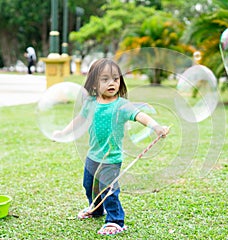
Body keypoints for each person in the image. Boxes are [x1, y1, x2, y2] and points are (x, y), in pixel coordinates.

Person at [54, 58, 169, 235]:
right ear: (93, 83)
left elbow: (140, 115)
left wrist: (157, 127)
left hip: (111, 158)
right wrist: (64, 132)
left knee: (108, 189)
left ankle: (116, 220)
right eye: (105, 79)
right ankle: (96, 209)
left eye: (115, 79)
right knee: (89, 186)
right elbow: (79, 120)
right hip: (93, 155)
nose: (112, 83)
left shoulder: (121, 105)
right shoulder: (90, 103)